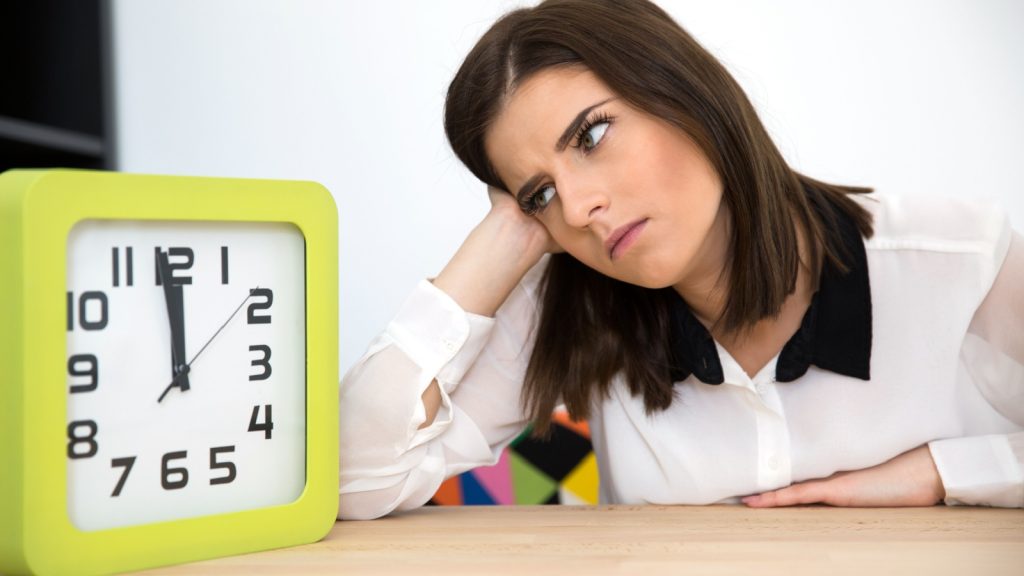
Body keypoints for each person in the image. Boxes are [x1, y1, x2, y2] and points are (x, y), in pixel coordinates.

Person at [338, 0, 1023, 520]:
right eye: (540, 193)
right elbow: (355, 478)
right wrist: (503, 242)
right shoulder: (569, 304)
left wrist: (945, 471)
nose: (576, 209)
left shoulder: (960, 264)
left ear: (681, 89)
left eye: (592, 134)